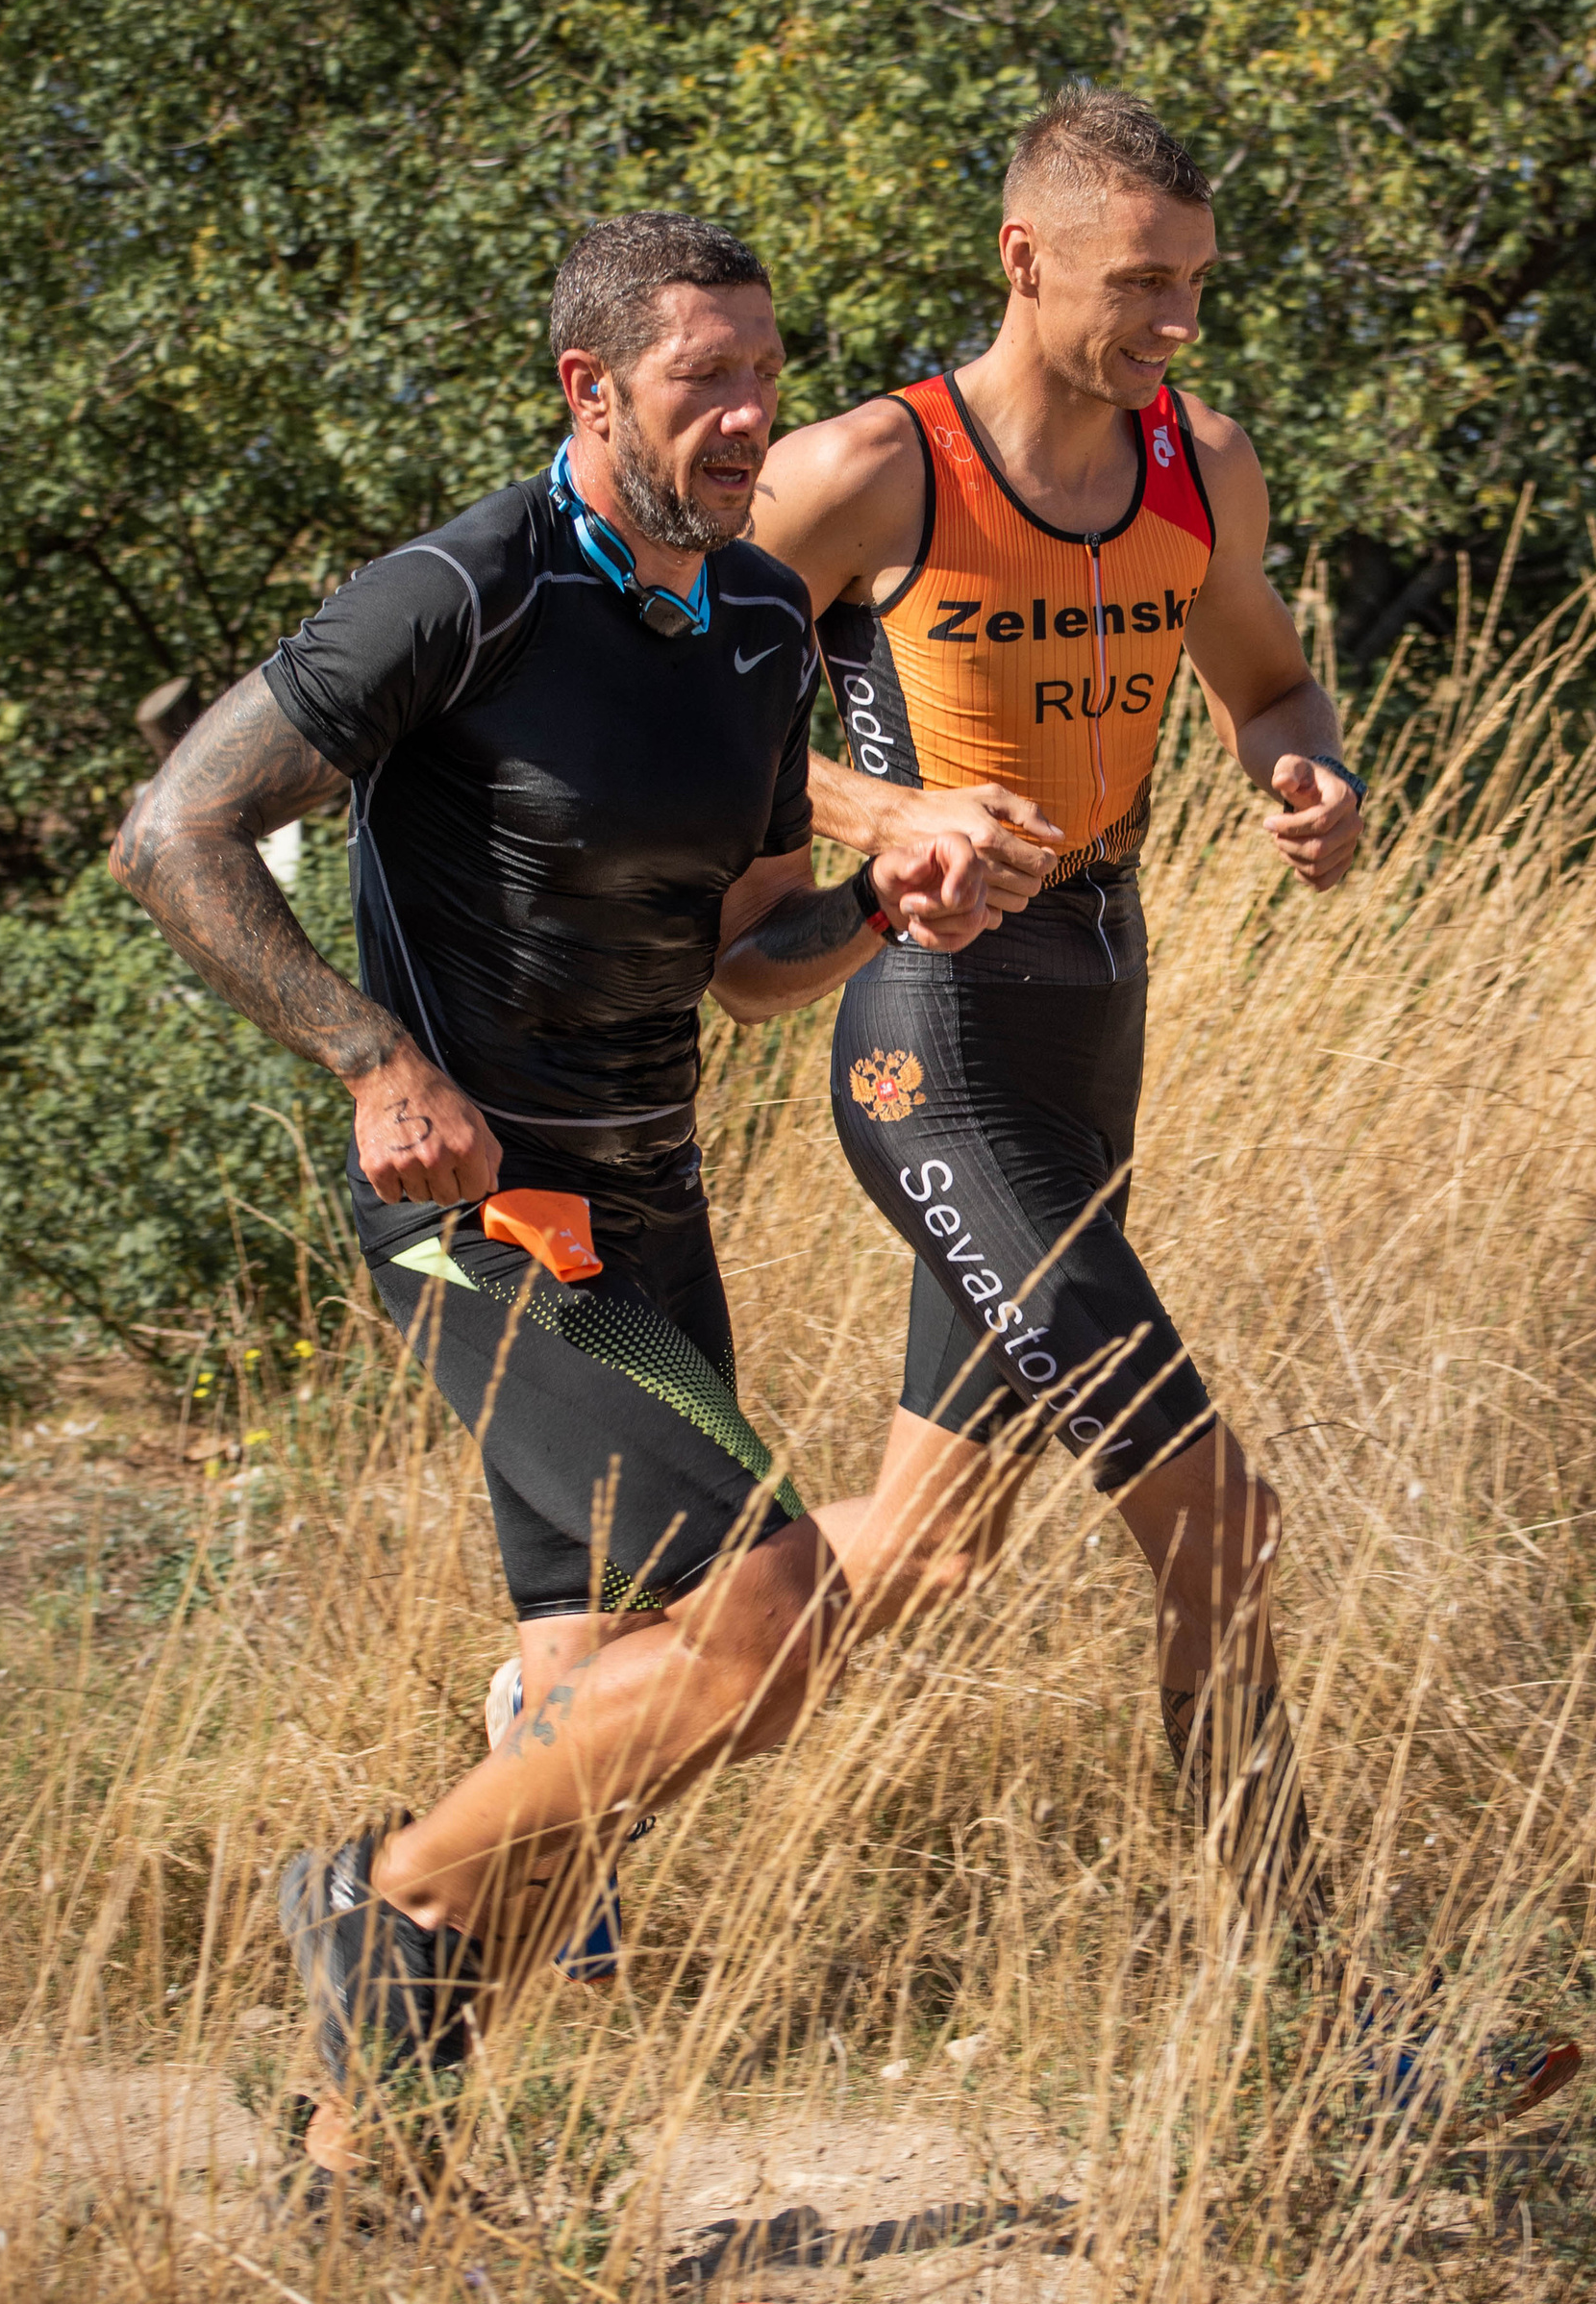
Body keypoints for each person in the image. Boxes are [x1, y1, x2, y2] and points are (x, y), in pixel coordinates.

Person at [112, 213, 1006, 2190]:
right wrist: (372, 1058)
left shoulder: (761, 623)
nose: (750, 411)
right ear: (589, 389)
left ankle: (364, 2161)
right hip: (477, 1201)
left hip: (650, 1199)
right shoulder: (465, 588)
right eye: (705, 377)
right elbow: (173, 829)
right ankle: (381, 1890)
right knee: (766, 1625)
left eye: (766, 370)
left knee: (609, 1703)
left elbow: (747, 954)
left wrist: (882, 903)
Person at [745, 87, 1578, 2116]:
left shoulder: (1197, 465)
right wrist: (891, 808)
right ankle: (1321, 2035)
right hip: (921, 1036)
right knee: (1214, 1510)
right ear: (1022, 260)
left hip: (1091, 1012)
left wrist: (1312, 772)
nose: (1172, 324)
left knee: (924, 1553)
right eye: (1137, 285)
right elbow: (663, 732)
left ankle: (565, 1714)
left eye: (1194, 285)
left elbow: (1269, 679)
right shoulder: (863, 471)